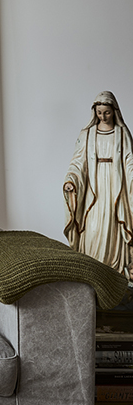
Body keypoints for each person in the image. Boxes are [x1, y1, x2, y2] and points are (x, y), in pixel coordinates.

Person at [64, 91, 133, 280]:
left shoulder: (122, 133)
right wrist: (71, 180)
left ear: (114, 111)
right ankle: (93, 271)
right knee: (92, 228)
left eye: (107, 112)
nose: (103, 116)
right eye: (99, 112)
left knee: (114, 225)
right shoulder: (87, 134)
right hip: (93, 190)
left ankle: (115, 273)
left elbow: (129, 161)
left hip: (116, 186)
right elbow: (78, 162)